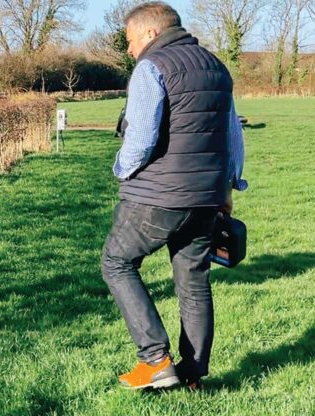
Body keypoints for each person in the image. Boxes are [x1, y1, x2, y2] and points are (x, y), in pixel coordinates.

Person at [101, 2, 247, 390]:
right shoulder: (217, 67)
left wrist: (119, 169)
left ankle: (155, 359)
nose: (130, 49)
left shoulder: (152, 67)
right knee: (193, 281)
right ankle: (194, 374)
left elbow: (141, 141)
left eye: (130, 41)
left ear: (150, 33)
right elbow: (232, 134)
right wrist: (229, 186)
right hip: (207, 196)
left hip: (158, 196)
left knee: (116, 262)